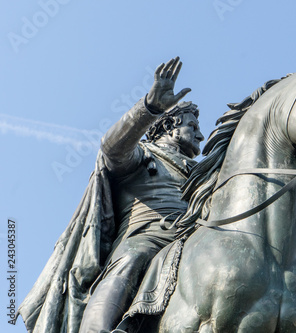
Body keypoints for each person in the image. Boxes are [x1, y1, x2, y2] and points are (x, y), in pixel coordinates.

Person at [17, 57, 204, 333]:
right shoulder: (144, 154)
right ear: (169, 126)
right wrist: (149, 108)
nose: (201, 135)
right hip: (149, 234)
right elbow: (110, 148)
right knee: (133, 258)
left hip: (195, 235)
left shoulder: (203, 171)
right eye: (193, 126)